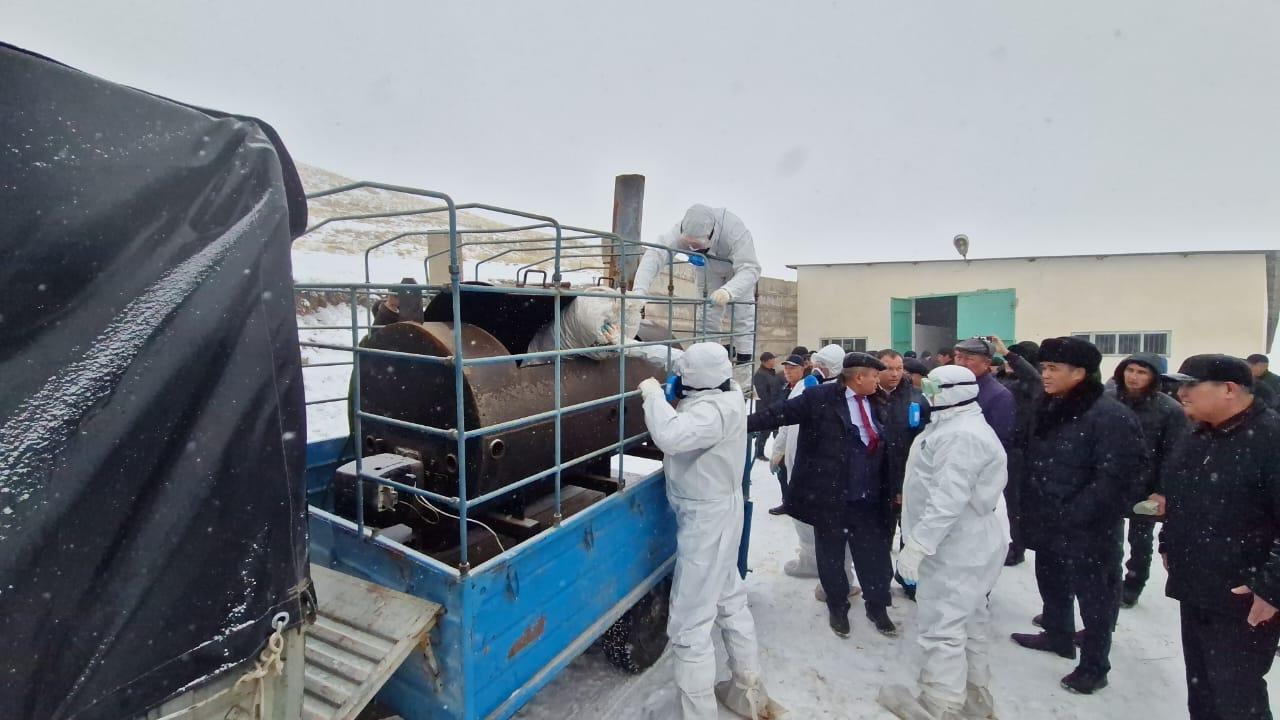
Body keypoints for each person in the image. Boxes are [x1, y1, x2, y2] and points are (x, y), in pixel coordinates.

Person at [637, 343, 785, 719]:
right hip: (722, 508)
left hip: (706, 520)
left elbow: (669, 436)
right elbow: (686, 363)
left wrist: (653, 394)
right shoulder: (729, 392)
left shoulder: (712, 412)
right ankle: (747, 690)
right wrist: (633, 343)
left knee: (688, 627)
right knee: (729, 599)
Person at [1011, 337, 1146, 695]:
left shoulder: (1109, 415)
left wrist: (1079, 513)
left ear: (1080, 373)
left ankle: (1094, 666)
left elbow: (1117, 479)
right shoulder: (1049, 405)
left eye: (1053, 368)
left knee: (1095, 598)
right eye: (1044, 368)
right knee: (1051, 579)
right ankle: (1058, 634)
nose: (1045, 375)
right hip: (1048, 517)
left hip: (1089, 529)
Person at [878, 366, 1010, 720]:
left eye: (934, 386)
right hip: (964, 541)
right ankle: (974, 695)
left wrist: (918, 546)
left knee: (943, 627)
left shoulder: (960, 436)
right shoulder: (955, 426)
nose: (926, 392)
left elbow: (947, 500)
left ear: (952, 391)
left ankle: (942, 705)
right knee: (970, 620)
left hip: (956, 545)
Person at [1160, 355, 1280, 720]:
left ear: (1229, 389)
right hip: (1196, 585)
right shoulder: (1196, 433)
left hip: (1244, 596)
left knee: (1237, 696)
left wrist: (1271, 587)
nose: (1181, 394)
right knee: (1202, 688)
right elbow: (1181, 496)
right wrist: (1168, 541)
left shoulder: (1271, 440)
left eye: (1189, 385)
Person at [749, 351, 899, 639]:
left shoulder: (878, 400)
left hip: (869, 497)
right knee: (831, 556)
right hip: (832, 496)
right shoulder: (819, 398)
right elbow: (777, 414)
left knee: (874, 557)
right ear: (858, 377)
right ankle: (838, 606)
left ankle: (878, 607)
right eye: (873, 376)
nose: (878, 381)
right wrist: (731, 425)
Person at [772, 346, 858, 604]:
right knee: (802, 519)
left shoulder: (846, 395)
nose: (818, 367)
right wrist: (778, 451)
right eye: (816, 362)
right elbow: (787, 419)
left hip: (826, 472)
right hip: (798, 467)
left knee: (832, 531)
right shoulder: (804, 387)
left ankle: (839, 580)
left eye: (824, 364)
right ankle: (809, 561)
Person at [631, 205, 761, 363]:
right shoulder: (678, 231)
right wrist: (639, 291)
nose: (692, 248)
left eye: (697, 245)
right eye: (689, 245)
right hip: (707, 267)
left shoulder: (734, 231)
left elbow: (750, 268)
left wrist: (728, 291)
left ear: (711, 234)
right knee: (707, 313)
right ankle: (708, 361)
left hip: (737, 271)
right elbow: (655, 255)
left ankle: (744, 365)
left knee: (742, 315)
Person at [1107, 352, 1187, 608]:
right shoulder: (1107, 399)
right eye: (1130, 370)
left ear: (1153, 377)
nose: (1134, 377)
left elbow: (1174, 454)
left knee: (1140, 539)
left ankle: (1134, 582)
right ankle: (1108, 579)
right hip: (1111, 481)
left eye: (1142, 372)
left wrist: (1162, 490)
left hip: (1147, 486)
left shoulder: (1169, 409)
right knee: (1107, 535)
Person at [875, 349, 931, 600]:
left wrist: (903, 485)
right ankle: (879, 582)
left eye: (900, 368)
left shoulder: (917, 400)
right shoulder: (867, 397)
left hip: (909, 479)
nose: (895, 374)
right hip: (875, 481)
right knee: (879, 536)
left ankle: (909, 579)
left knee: (909, 533)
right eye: (889, 368)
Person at [989, 338, 1042, 567]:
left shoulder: (1033, 385)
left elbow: (1034, 377)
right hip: (992, 446)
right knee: (984, 499)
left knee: (1015, 504)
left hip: (1017, 452)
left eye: (1015, 358)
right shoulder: (1001, 379)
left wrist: (1009, 354)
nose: (1008, 361)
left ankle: (1018, 545)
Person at [767, 353, 817, 517]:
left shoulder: (806, 388)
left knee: (794, 472)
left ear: (803, 368)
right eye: (786, 368)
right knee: (784, 472)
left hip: (796, 438)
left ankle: (793, 504)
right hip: (784, 435)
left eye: (792, 368)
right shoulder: (788, 387)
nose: (788, 371)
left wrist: (780, 449)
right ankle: (787, 502)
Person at [952, 337, 1016, 447]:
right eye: (958, 357)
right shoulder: (951, 389)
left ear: (987, 363)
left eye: (969, 359)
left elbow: (1001, 440)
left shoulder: (999, 395)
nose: (961, 363)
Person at [751, 352, 785, 461]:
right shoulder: (760, 375)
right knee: (764, 432)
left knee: (776, 430)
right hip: (765, 408)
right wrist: (770, 407)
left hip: (775, 406)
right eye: (772, 359)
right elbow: (762, 394)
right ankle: (759, 452)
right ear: (765, 361)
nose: (774, 361)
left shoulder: (771, 373)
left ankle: (780, 452)